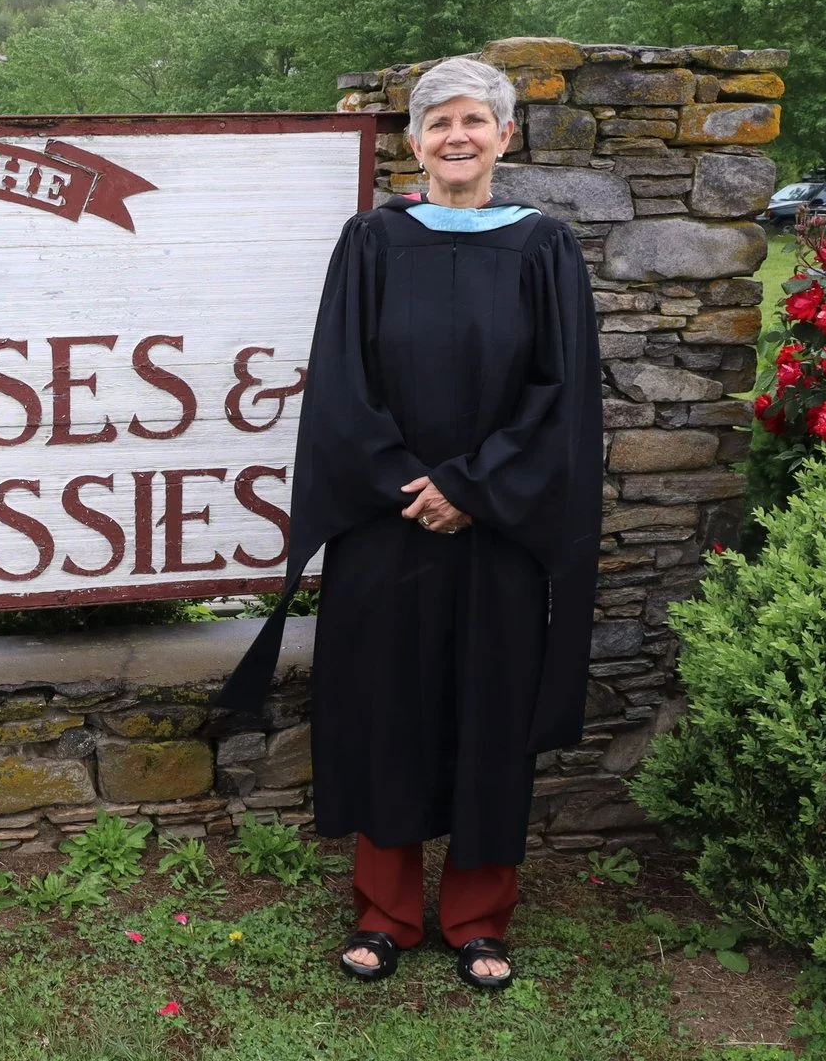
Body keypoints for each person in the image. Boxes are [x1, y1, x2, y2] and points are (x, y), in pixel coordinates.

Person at [218, 56, 603, 992]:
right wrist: (409, 484)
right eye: (439, 122)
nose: (457, 136)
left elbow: (561, 395)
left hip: (497, 528)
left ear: (506, 135)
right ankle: (385, 913)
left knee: (492, 709)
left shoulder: (544, 249)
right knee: (384, 709)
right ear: (415, 141)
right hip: (386, 522)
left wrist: (470, 488)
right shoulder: (372, 242)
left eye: (474, 120)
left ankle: (478, 918)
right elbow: (340, 382)